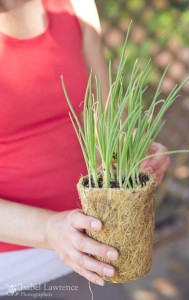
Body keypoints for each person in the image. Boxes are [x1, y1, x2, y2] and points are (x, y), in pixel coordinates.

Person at [0, 0, 170, 299]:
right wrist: (49, 229)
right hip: (15, 270)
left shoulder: (75, 5)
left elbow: (107, 124)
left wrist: (130, 155)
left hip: (99, 245)